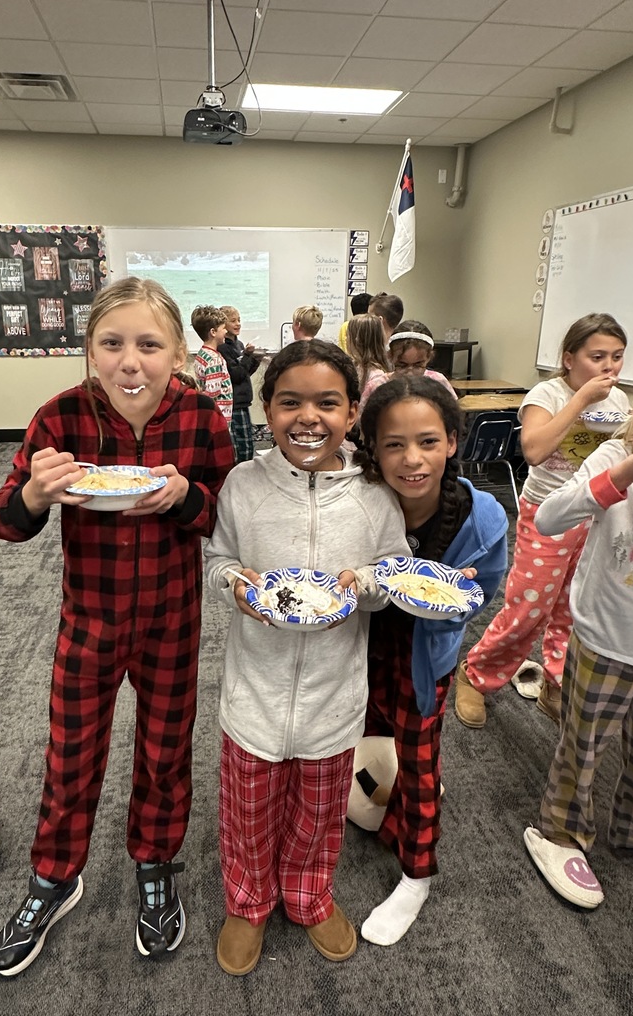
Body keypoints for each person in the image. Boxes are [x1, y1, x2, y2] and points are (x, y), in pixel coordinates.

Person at [0, 278, 235, 977]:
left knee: (164, 753)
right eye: (112, 343)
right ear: (89, 351)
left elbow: (227, 515)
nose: (132, 361)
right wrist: (35, 492)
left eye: (149, 345)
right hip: (88, 623)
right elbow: (3, 521)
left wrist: (187, 497)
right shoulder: (59, 417)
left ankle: (155, 862)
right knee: (70, 757)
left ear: (178, 352)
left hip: (172, 623)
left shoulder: (202, 420)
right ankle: (55, 876)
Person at [204, 339, 408, 976]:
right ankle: (247, 900)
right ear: (267, 410)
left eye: (327, 402)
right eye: (290, 402)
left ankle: (309, 893)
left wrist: (364, 584)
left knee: (320, 813)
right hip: (254, 693)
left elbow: (394, 572)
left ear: (352, 413)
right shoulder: (244, 484)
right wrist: (235, 584)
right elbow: (217, 560)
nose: (308, 417)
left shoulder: (373, 496)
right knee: (248, 811)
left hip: (333, 693)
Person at [355, 376, 508, 946]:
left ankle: (417, 874)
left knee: (420, 758)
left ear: (451, 441)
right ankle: (376, 802)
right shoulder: (361, 499)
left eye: (427, 441)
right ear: (372, 447)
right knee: (362, 737)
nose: (411, 459)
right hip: (357, 646)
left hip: (424, 655)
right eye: (393, 444)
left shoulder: (481, 516)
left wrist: (449, 601)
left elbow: (484, 587)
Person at [524, 363, 633, 909]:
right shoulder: (613, 459)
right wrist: (620, 477)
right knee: (583, 746)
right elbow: (549, 517)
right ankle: (561, 832)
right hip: (607, 636)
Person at [455, 313, 630, 729]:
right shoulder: (547, 394)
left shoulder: (620, 401)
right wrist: (581, 400)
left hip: (598, 516)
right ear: (569, 359)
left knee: (574, 607)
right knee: (529, 607)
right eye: (598, 356)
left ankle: (556, 682)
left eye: (618, 357)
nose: (609, 367)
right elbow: (533, 451)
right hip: (546, 516)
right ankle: (475, 674)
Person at [218, 305, 262, 463]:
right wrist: (247, 356)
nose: (238, 324)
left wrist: (255, 359)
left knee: (249, 444)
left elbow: (245, 373)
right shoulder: (222, 348)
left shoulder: (240, 345)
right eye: (233, 321)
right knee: (241, 447)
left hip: (244, 400)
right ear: (223, 325)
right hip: (234, 404)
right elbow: (235, 375)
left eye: (239, 320)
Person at [388, 320, 458, 399]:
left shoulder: (438, 382)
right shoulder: (378, 385)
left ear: (429, 357)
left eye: (418, 365)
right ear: (390, 356)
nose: (410, 374)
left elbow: (451, 410)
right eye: (402, 365)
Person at [191, 304, 233, 425]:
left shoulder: (202, 354)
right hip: (218, 417)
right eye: (223, 328)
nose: (226, 331)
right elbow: (212, 393)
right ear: (213, 332)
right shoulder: (214, 359)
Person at [344, 312, 391, 413]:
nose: (346, 339)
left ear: (358, 340)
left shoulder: (377, 377)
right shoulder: (354, 366)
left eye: (348, 335)